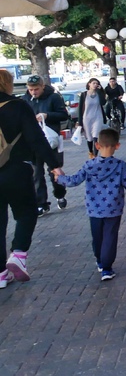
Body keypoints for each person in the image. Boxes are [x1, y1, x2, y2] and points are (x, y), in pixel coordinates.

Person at [54, 128, 126, 281]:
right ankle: (107, 268)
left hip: (94, 209)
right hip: (114, 209)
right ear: (117, 145)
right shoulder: (120, 165)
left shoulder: (89, 165)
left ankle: (100, 261)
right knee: (110, 238)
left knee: (97, 237)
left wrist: (59, 178)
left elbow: (73, 181)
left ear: (97, 145)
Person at [0, 70, 65, 289]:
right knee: (27, 211)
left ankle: (1, 274)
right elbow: (36, 139)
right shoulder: (18, 106)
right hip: (17, 169)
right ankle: (18, 254)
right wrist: (54, 165)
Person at [22, 74, 69, 214]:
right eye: (31, 89)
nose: (33, 92)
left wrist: (47, 116)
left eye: (36, 89)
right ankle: (42, 203)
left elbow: (63, 115)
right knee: (36, 174)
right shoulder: (25, 100)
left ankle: (60, 194)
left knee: (54, 170)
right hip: (34, 142)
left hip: (51, 141)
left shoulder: (53, 97)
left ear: (42, 86)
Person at [78, 78, 107, 157]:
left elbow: (103, 103)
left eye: (97, 83)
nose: (95, 85)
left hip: (97, 117)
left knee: (95, 136)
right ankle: (90, 151)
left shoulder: (99, 94)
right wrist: (79, 121)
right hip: (87, 118)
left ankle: (95, 155)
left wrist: (100, 92)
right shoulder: (84, 95)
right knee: (89, 138)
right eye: (93, 83)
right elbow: (80, 108)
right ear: (89, 84)